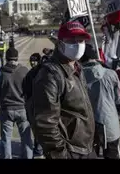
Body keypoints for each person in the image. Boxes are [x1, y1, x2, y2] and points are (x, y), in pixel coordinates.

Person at [32, 21, 96, 159]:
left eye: (81, 40)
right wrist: (61, 154)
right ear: (60, 43)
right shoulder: (51, 74)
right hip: (71, 151)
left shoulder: (77, 68)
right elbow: (45, 123)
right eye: (72, 40)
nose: (78, 45)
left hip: (85, 148)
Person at [80, 44, 120, 159]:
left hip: (86, 126)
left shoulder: (76, 76)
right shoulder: (111, 74)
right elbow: (119, 98)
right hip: (109, 123)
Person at [0, 47, 33, 159]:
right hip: (22, 109)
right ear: (17, 57)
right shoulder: (24, 71)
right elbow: (30, 91)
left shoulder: (0, 73)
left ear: (6, 58)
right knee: (26, 138)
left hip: (6, 109)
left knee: (6, 139)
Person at [23, 52, 44, 158]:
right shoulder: (31, 73)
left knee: (38, 128)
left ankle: (39, 149)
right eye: (31, 60)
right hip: (33, 103)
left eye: (34, 60)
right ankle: (38, 148)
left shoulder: (41, 72)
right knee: (36, 127)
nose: (32, 62)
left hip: (39, 104)